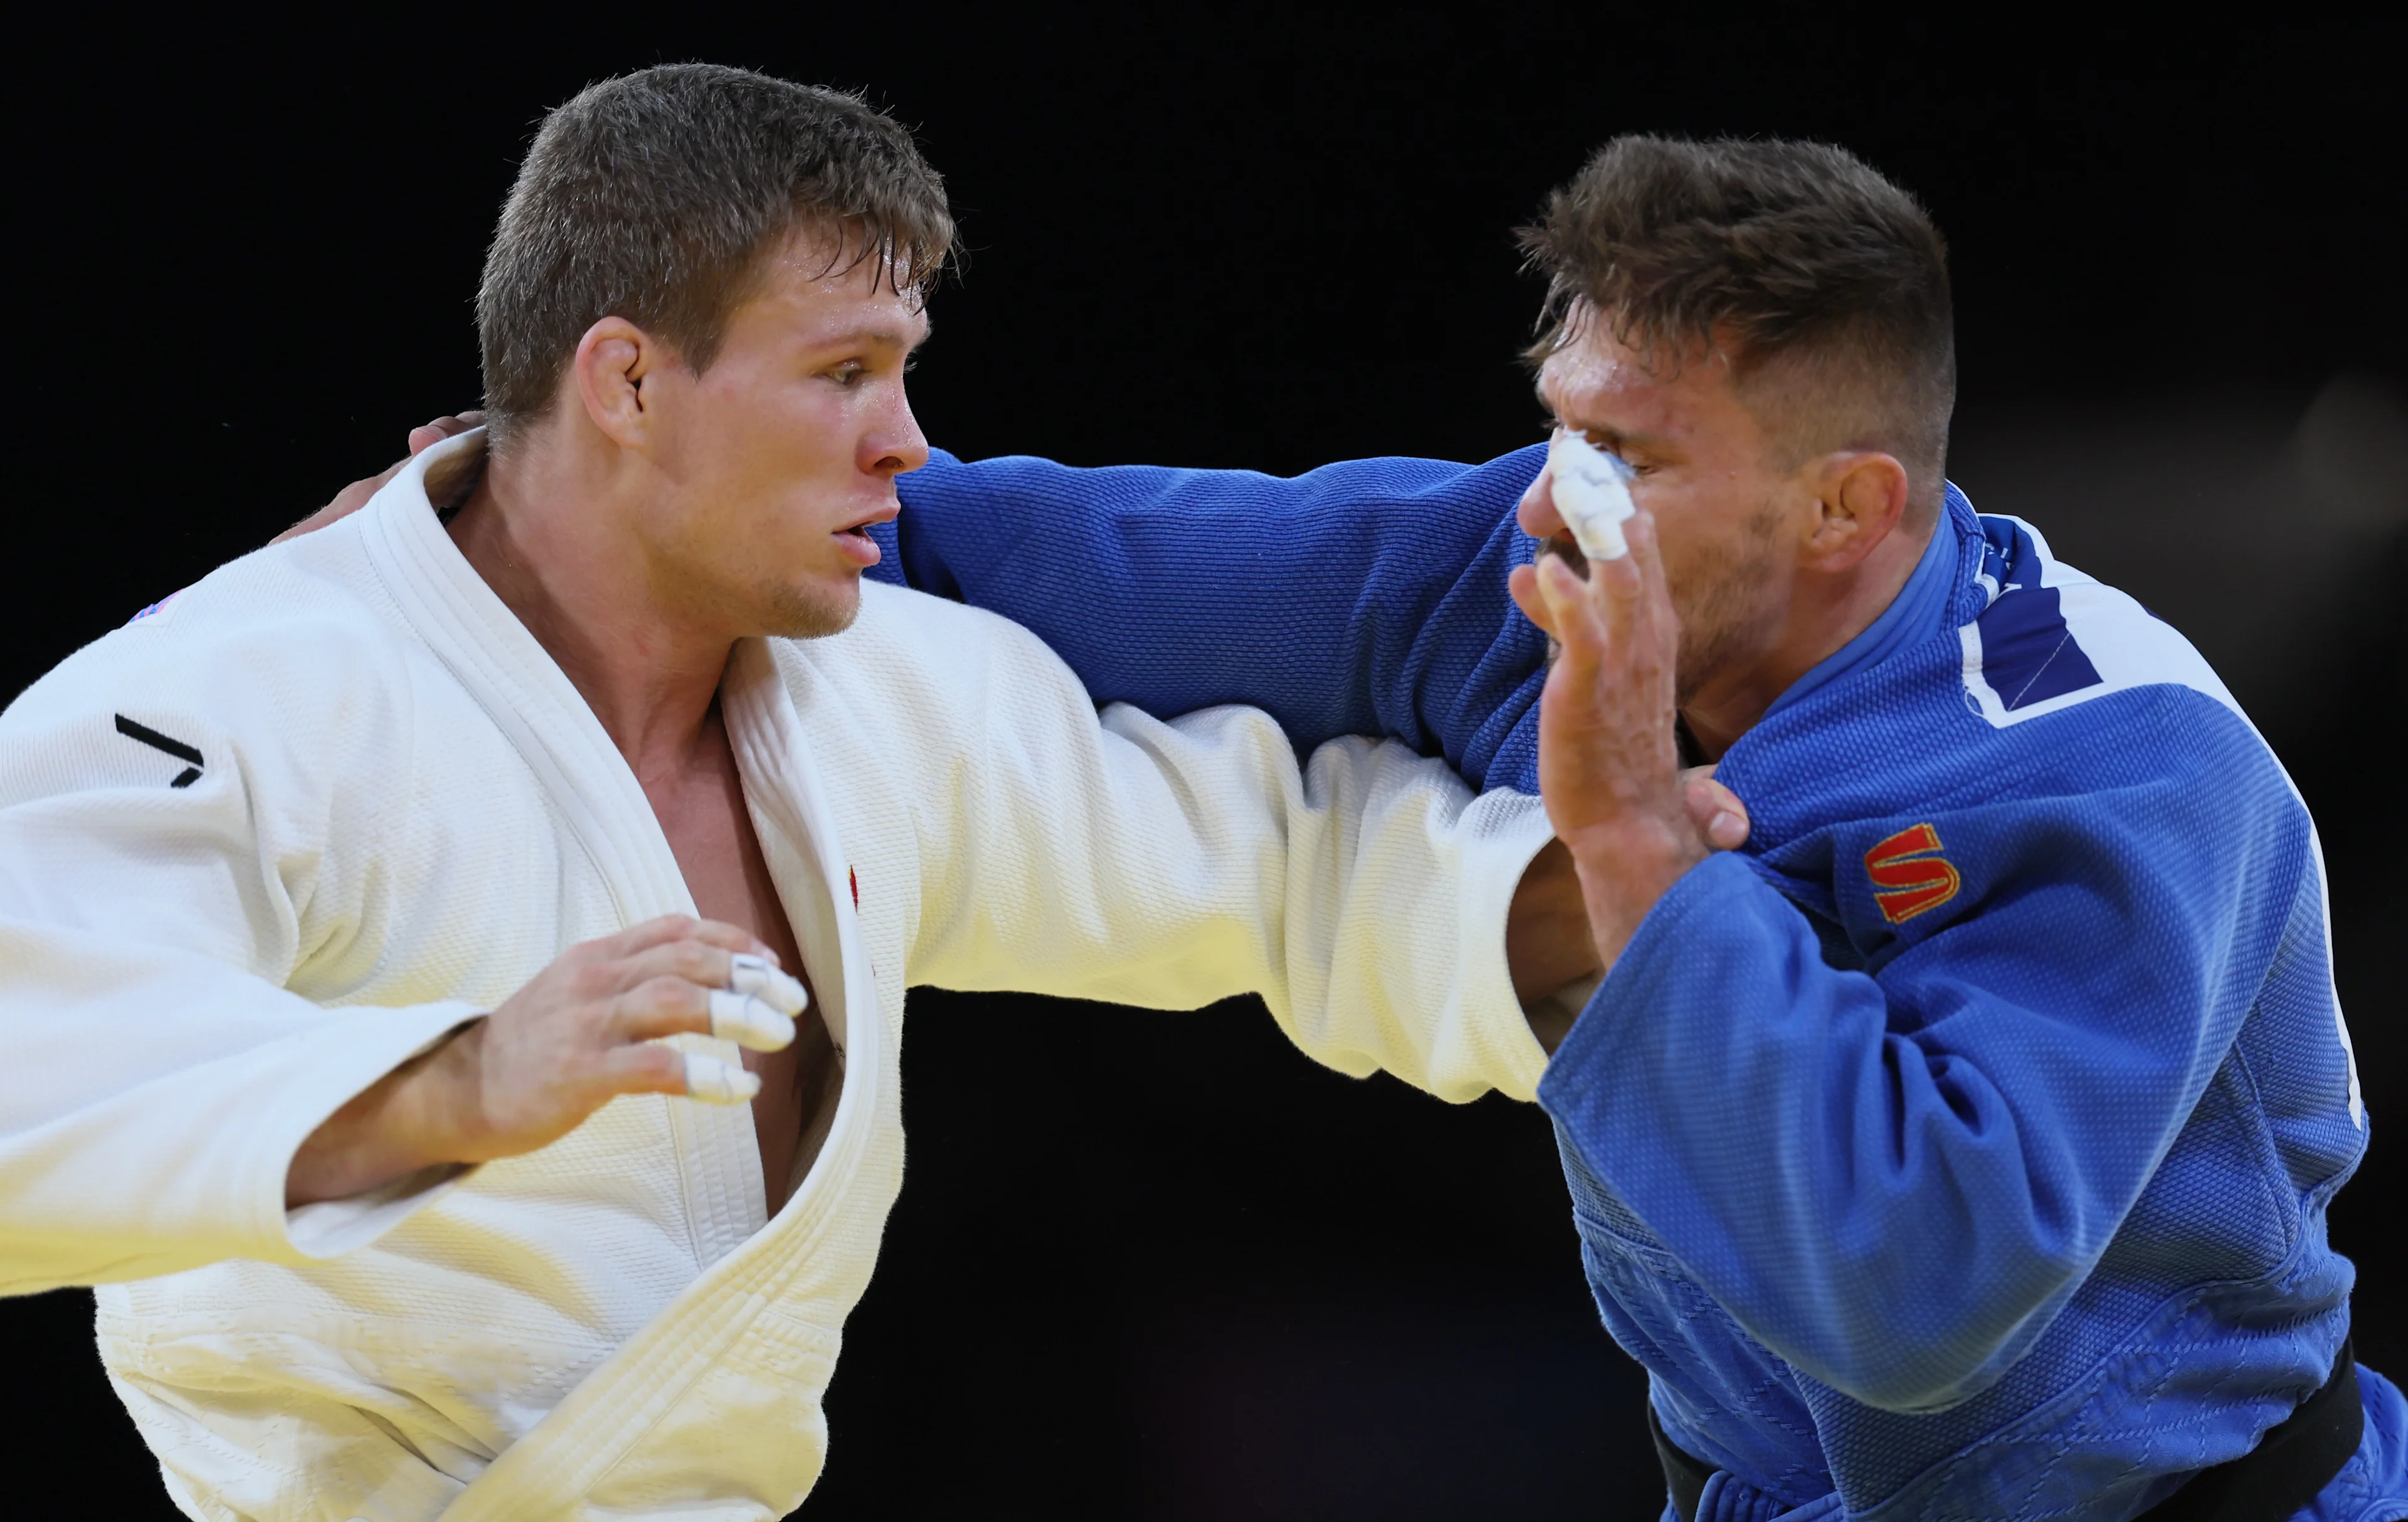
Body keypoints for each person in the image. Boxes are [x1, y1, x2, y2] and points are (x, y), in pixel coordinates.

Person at [0, 66, 1610, 1519]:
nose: (908, 445)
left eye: (905, 373)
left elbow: (1277, 861)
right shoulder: (249, 682)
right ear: (626, 383)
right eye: (844, 372)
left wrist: (1614, 892)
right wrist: (454, 1082)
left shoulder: (875, 698)